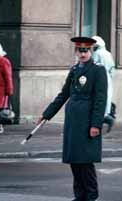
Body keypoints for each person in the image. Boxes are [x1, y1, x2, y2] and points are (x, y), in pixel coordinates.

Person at [38, 37, 107, 201]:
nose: (82, 54)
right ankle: (79, 195)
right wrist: (46, 114)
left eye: (86, 50)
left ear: (90, 51)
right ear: (76, 52)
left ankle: (91, 195)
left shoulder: (98, 70)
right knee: (74, 160)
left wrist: (96, 124)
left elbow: (100, 99)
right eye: (79, 50)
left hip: (87, 122)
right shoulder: (75, 69)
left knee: (85, 161)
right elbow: (64, 94)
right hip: (73, 122)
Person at [91, 36, 116, 132]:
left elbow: (94, 66)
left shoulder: (97, 54)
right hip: (108, 78)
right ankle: (107, 116)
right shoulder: (108, 54)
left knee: (98, 98)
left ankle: (105, 119)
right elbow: (112, 68)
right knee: (106, 98)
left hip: (99, 79)